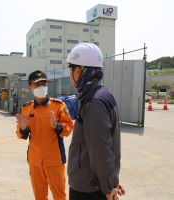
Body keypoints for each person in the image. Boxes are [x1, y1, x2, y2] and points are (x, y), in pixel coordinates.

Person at [66, 43, 125, 200]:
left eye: (70, 68)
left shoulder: (93, 102)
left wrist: (108, 187)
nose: (69, 73)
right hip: (95, 184)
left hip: (88, 188)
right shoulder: (103, 95)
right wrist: (112, 181)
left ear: (78, 70)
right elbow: (110, 144)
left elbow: (101, 151)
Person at [16, 70, 74, 200]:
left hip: (55, 161)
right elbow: (20, 134)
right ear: (30, 88)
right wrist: (23, 129)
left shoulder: (58, 106)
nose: (41, 87)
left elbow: (69, 127)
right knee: (39, 196)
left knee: (59, 196)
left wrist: (57, 126)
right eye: (37, 85)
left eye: (44, 84)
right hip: (35, 162)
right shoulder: (27, 109)